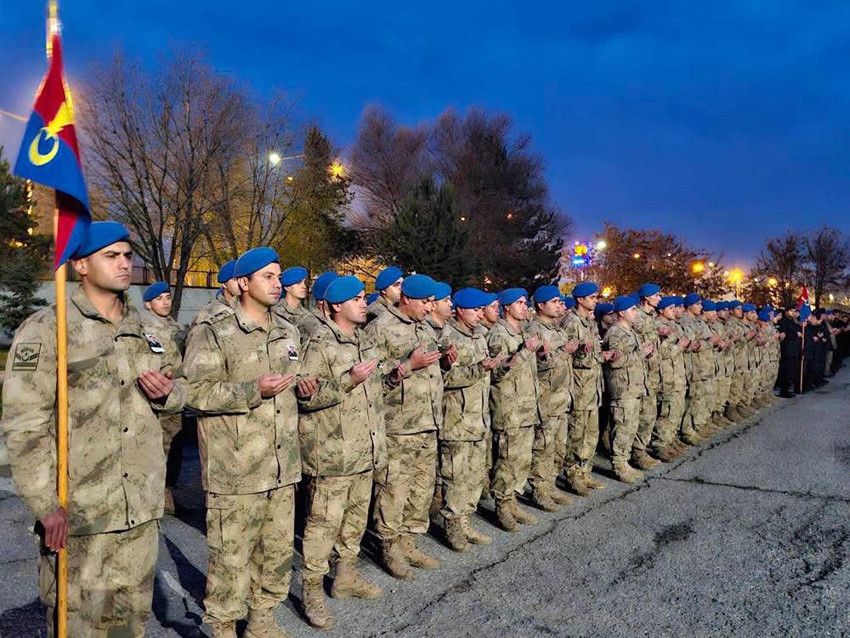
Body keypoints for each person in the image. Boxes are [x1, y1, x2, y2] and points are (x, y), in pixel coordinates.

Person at [2, 221, 186, 637]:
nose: (124, 264)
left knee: (129, 625)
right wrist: (45, 504)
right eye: (111, 256)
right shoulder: (49, 330)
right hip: (82, 512)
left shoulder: (149, 331)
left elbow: (183, 388)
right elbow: (25, 425)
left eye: (127, 255)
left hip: (139, 510)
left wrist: (169, 394)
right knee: (81, 625)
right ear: (81, 265)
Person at [183, 246, 310, 637]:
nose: (277, 284)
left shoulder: (287, 331)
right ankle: (223, 627)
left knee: (275, 555)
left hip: (281, 467)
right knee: (230, 560)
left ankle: (261, 621)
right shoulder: (215, 331)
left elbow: (293, 387)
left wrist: (308, 387)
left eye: (279, 276)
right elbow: (194, 392)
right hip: (236, 470)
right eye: (268, 277)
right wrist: (252, 390)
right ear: (243, 283)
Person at [295, 275, 386, 629]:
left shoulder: (364, 340)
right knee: (322, 527)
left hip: (363, 450)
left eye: (364, 297)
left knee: (354, 522)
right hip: (332, 455)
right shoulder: (319, 344)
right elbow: (305, 397)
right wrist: (349, 379)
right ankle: (312, 592)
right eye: (358, 298)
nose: (365, 303)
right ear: (336, 306)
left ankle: (345, 576)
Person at [364, 274, 453, 579]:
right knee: (394, 490)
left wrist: (445, 363)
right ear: (406, 299)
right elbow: (371, 381)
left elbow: (433, 374)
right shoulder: (380, 329)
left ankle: (409, 542)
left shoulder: (425, 327)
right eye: (425, 302)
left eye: (432, 302)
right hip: (398, 426)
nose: (430, 308)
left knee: (421, 488)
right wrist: (406, 367)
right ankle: (389, 547)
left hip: (427, 422)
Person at [436, 287, 502, 550]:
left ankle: (466, 521)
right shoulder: (448, 337)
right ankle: (453, 525)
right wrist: (479, 368)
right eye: (475, 310)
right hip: (457, 421)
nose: (480, 314)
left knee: (475, 475)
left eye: (481, 310)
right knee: (456, 477)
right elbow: (445, 378)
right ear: (461, 310)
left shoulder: (479, 335)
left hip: (478, 418)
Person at [487, 288, 543, 530]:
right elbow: (497, 374)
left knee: (522, 459)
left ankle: (512, 501)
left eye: (525, 302)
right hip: (508, 409)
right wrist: (524, 353)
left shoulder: (523, 331)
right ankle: (502, 505)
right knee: (507, 460)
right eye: (519, 303)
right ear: (507, 307)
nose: (524, 307)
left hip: (527, 407)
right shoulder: (498, 335)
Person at [525, 285, 578, 510]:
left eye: (560, 302)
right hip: (546, 399)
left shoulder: (556, 328)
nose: (559, 306)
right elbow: (536, 365)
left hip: (561, 397)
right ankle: (540, 490)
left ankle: (551, 483)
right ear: (541, 305)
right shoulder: (534, 330)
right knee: (543, 447)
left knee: (558, 446)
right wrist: (562, 352)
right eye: (555, 302)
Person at [142, 280, 188, 514]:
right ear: (148, 304)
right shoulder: (144, 328)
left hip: (176, 394)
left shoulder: (175, 327)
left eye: (168, 298)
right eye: (159, 299)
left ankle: (167, 490)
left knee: (175, 446)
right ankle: (156, 496)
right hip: (155, 395)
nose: (165, 302)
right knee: (157, 447)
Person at [561, 282, 610, 495]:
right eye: (592, 297)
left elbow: (593, 350)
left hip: (592, 386)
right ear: (580, 299)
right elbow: (567, 356)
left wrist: (599, 355)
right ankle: (572, 475)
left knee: (590, 433)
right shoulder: (571, 322)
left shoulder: (589, 321)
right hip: (579, 387)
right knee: (577, 433)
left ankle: (585, 472)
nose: (595, 300)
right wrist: (586, 353)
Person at [603, 295, 650, 483]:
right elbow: (615, 361)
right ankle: (619, 465)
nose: (636, 313)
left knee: (630, 426)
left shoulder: (629, 331)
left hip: (633, 387)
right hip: (623, 388)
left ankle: (625, 462)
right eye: (633, 310)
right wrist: (640, 354)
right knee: (622, 428)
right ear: (622, 313)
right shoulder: (616, 333)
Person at [652, 296, 689, 461]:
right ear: (661, 310)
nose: (674, 311)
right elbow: (663, 353)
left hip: (677, 374)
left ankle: (671, 438)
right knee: (666, 411)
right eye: (671, 308)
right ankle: (661, 444)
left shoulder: (673, 325)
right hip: (666, 375)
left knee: (676, 409)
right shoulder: (657, 326)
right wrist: (679, 346)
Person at [631, 283, 662, 469]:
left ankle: (641, 449)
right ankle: (637, 452)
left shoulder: (652, 317)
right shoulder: (637, 316)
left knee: (650, 413)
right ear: (647, 298)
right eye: (656, 295)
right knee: (643, 414)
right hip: (641, 372)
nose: (659, 298)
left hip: (653, 372)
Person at [193, 259, 239, 326]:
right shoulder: (208, 313)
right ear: (224, 284)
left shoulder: (248, 309)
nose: (241, 283)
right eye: (235, 279)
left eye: (243, 279)